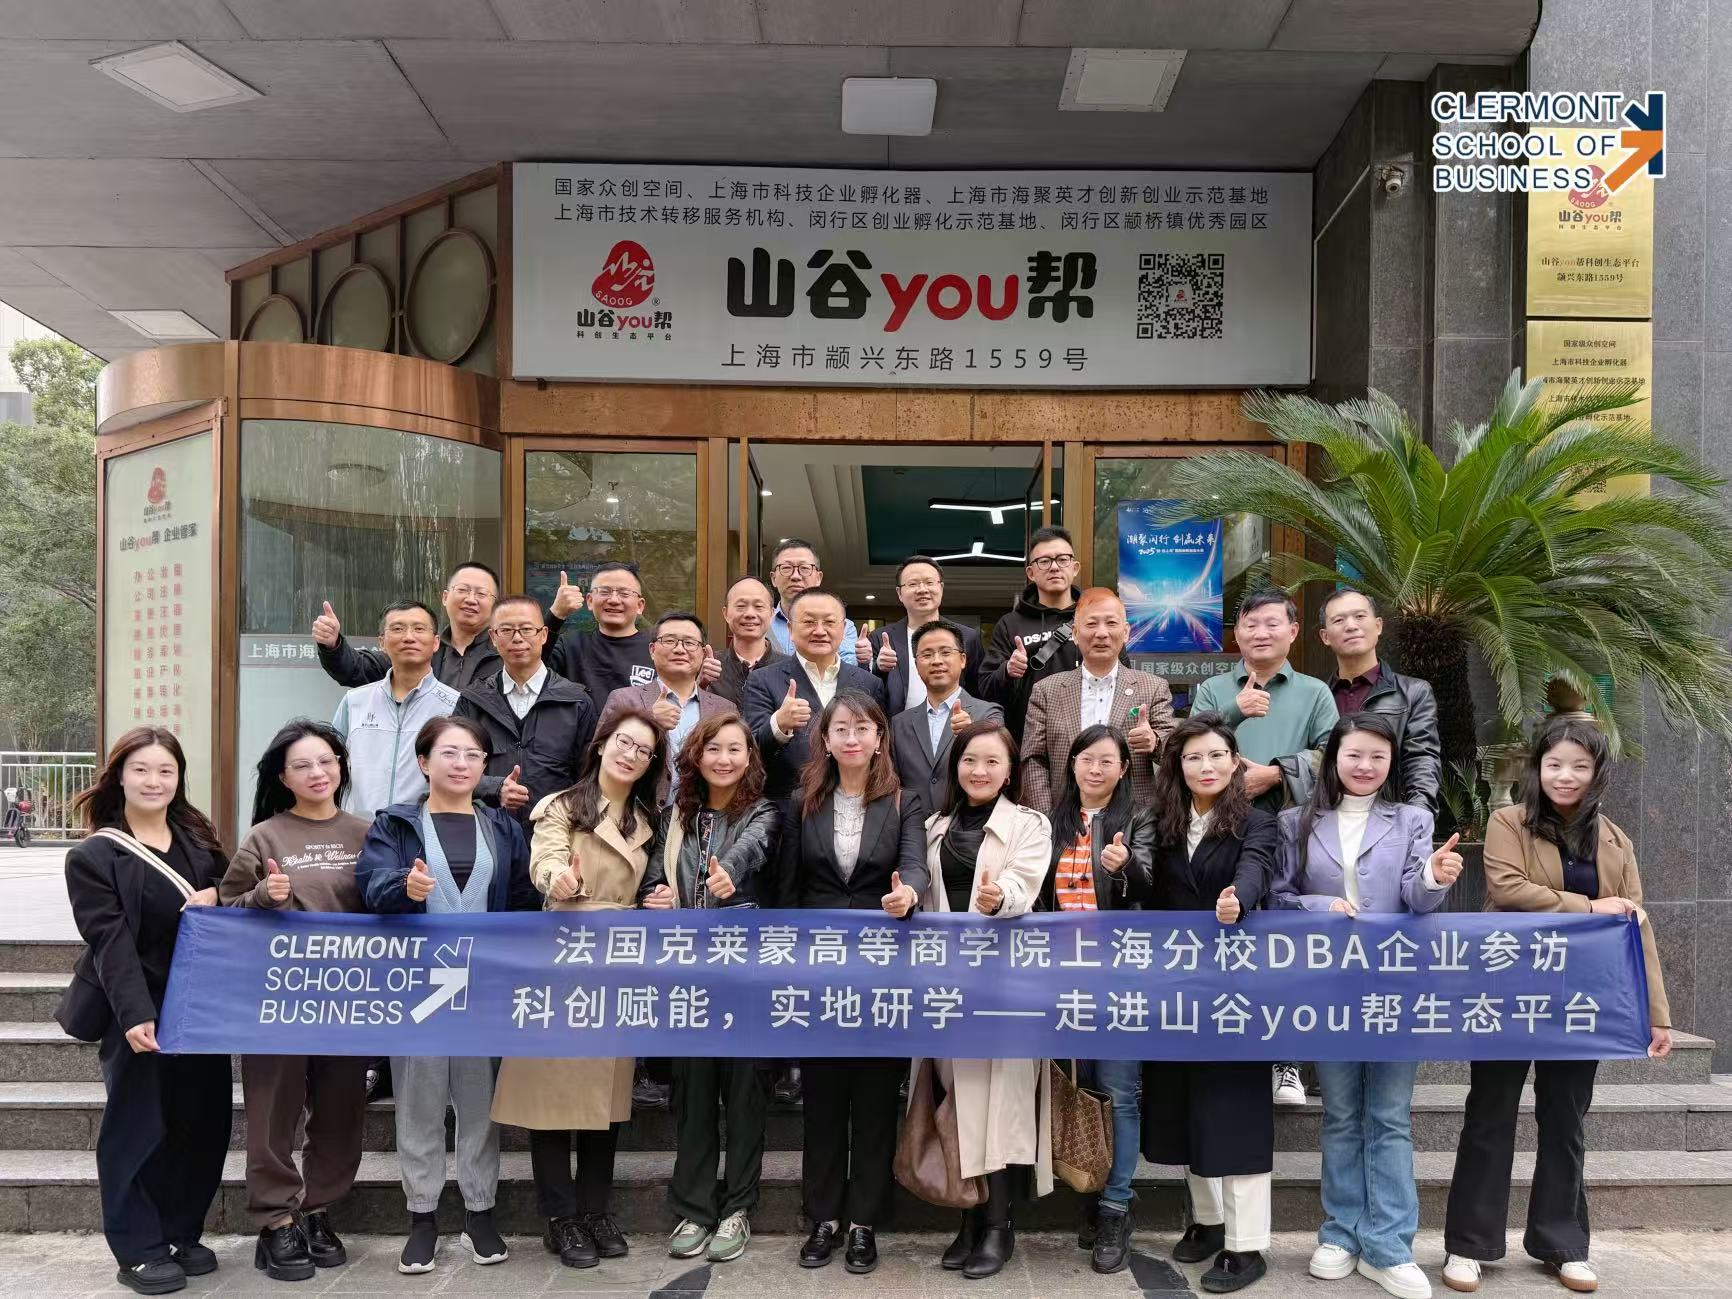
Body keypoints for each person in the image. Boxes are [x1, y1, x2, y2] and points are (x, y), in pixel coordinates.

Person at [1442, 716, 1672, 1297]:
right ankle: (1469, 1246)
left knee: (1565, 1120)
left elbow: (1636, 927)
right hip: (1509, 992)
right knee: (1489, 1114)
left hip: (1580, 1000)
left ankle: (1563, 1244)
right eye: (1554, 764)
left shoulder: (1616, 840)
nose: (1564, 776)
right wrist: (1589, 907)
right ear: (1537, 768)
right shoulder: (1508, 822)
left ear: (1597, 773)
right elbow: (1507, 889)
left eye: (1579, 766)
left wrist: (1656, 1014)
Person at [1270, 714, 1461, 1299]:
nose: (1365, 765)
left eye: (1378, 755)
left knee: (1389, 1115)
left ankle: (1389, 1246)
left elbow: (1416, 899)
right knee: (1342, 1113)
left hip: (1395, 988)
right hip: (1328, 989)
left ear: (1391, 762)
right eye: (1354, 753)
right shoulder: (1296, 821)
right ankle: (1339, 1234)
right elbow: (1278, 896)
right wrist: (1320, 907)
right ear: (1334, 757)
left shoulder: (1412, 820)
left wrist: (1434, 875)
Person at [355, 715, 537, 1276]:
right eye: (449, 753)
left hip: (483, 984)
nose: (461, 764)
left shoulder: (502, 827)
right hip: (418, 985)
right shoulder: (396, 824)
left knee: (481, 1102)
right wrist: (403, 887)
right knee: (420, 1100)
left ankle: (480, 1211)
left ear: (484, 766)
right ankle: (422, 1218)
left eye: (472, 755)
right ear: (424, 761)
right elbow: (370, 886)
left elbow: (522, 899)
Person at [491, 709, 668, 1271]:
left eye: (643, 750)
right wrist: (557, 878)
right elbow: (545, 859)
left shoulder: (648, 818)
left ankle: (594, 1210)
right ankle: (559, 1217)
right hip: (563, 957)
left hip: (619, 964)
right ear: (601, 744)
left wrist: (658, 899)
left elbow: (651, 881)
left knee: (606, 1098)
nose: (630, 755)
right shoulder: (563, 805)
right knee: (550, 1099)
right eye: (624, 742)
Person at [63, 727, 230, 1296]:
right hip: (134, 1005)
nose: (154, 781)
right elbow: (109, 941)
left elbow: (232, 896)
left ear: (179, 778)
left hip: (199, 1006)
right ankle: (137, 1247)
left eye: (165, 771)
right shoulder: (94, 855)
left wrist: (220, 896)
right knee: (138, 1125)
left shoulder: (200, 842)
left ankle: (180, 1232)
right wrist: (135, 1014)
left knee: (202, 1121)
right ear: (119, 776)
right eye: (141, 770)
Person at [773, 690, 928, 1276]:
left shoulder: (904, 801)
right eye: (841, 728)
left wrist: (909, 893)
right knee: (823, 1100)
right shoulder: (803, 801)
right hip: (819, 972)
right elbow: (789, 888)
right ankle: (823, 1218)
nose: (853, 738)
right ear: (826, 739)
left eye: (863, 728)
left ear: (880, 738)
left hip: (883, 971)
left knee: (874, 1099)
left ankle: (863, 1221)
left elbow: (914, 863)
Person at [1123, 713, 1278, 1294]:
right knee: (1187, 1105)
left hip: (1237, 988)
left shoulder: (1257, 821)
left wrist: (1240, 898)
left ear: (1235, 762)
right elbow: (1147, 889)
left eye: (1216, 755)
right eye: (1192, 757)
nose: (1205, 766)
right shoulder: (1163, 821)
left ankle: (1247, 1244)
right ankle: (1209, 1222)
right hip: (1177, 987)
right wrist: (1124, 868)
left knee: (1234, 1110)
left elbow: (1256, 870)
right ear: (1177, 766)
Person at [220, 721, 372, 1283]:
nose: (317, 773)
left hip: (348, 1001)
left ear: (341, 767)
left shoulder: (368, 832)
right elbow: (226, 912)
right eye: (302, 765)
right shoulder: (264, 837)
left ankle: (318, 1210)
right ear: (283, 777)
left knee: (340, 1111)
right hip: (277, 1000)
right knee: (273, 1111)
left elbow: (384, 905)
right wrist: (263, 895)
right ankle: (276, 1220)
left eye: (326, 761)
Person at [916, 721, 1053, 1279]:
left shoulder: (1030, 823)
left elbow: (1025, 883)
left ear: (1010, 771)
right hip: (949, 984)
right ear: (956, 766)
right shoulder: (933, 827)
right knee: (960, 1098)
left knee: (1002, 1102)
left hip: (1007, 982)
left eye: (993, 761)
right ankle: (970, 1219)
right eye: (970, 760)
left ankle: (999, 1225)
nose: (980, 770)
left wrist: (1000, 899)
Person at [639, 716, 778, 1264]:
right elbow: (655, 872)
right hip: (688, 977)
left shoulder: (762, 812)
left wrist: (728, 876)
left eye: (735, 749)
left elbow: (752, 850)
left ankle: (738, 1206)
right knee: (694, 1094)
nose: (724, 759)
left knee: (744, 1095)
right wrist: (655, 894)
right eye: (713, 748)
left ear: (750, 757)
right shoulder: (676, 816)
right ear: (695, 756)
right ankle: (694, 1208)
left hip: (747, 976)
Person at [1191, 588, 1337, 1107]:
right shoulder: (1213, 690)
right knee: (1225, 937)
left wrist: (1275, 773)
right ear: (1237, 633)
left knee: (1284, 943)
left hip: (1294, 832)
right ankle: (1224, 1046)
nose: (1261, 633)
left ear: (1293, 632)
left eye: (1272, 623)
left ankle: (1286, 1060)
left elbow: (1333, 756)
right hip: (1222, 833)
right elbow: (1190, 745)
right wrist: (1234, 712)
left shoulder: (1315, 692)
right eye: (1250, 624)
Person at [1042, 724, 1154, 1274]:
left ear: (1124, 768)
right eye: (1086, 758)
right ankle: (1090, 1183)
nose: (1095, 768)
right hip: (1061, 977)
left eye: (1107, 760)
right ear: (1072, 764)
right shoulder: (1051, 822)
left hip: (1120, 976)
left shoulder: (1140, 819)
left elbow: (1151, 883)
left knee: (1119, 1090)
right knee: (1079, 1084)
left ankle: (1115, 1206)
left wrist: (1124, 866)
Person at [1020, 588, 1174, 814]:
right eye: (1091, 624)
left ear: (1126, 632)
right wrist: (1047, 818)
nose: (1101, 633)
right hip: (1063, 816)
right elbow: (1033, 758)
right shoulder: (1046, 690)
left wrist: (1155, 742)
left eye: (1111, 623)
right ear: (1075, 633)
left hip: (1134, 819)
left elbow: (1177, 750)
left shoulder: (1153, 687)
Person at [455, 594, 598, 827]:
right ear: (493, 637)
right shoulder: (473, 700)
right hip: (487, 830)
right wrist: (494, 787)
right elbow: (451, 767)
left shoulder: (576, 701)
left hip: (555, 833)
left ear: (543, 635)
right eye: (506, 630)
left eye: (526, 629)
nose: (517, 638)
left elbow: (590, 777)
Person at [744, 589, 887, 799]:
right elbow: (749, 751)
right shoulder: (762, 680)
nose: (820, 631)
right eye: (809, 622)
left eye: (829, 622)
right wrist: (778, 724)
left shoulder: (869, 684)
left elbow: (881, 749)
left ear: (843, 629)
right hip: (788, 806)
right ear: (791, 629)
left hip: (855, 803)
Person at [1317, 588, 1441, 813]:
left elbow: (1421, 760)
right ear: (1325, 637)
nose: (1351, 626)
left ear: (1378, 626)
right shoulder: (1317, 697)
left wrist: (1417, 817)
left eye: (1359, 616)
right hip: (1327, 818)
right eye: (1339, 620)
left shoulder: (1413, 693)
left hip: (1389, 817)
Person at [330, 600, 460, 816]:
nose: (409, 637)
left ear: (436, 642)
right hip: (359, 829)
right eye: (398, 629)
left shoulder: (454, 704)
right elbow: (330, 763)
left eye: (419, 629)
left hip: (422, 830)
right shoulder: (355, 701)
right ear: (382, 642)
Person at [596, 611, 739, 804]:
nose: (680, 649)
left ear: (703, 653)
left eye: (689, 643)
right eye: (669, 641)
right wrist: (649, 721)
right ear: (652, 649)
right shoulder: (623, 700)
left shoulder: (724, 709)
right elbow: (598, 761)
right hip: (635, 814)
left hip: (702, 817)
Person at [312, 561, 506, 691]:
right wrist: (333, 645)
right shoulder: (422, 645)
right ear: (445, 597)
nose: (471, 599)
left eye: (481, 594)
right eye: (462, 590)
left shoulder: (508, 651)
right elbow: (356, 669)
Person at [979, 525, 1083, 741]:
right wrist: (1007, 671)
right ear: (1031, 573)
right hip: (1028, 740)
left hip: (1086, 740)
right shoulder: (1010, 624)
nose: (1054, 567)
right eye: (1044, 561)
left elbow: (1121, 674)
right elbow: (986, 689)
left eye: (1062, 559)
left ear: (1075, 567)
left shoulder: (1093, 619)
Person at [889, 619, 1002, 816]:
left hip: (970, 826)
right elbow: (894, 784)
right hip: (914, 827)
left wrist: (972, 733)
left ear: (963, 659)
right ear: (916, 665)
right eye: (927, 654)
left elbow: (998, 764)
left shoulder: (988, 713)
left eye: (945, 652)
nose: (936, 661)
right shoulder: (899, 724)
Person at [865, 556, 983, 710]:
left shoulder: (967, 637)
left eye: (929, 582)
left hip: (956, 722)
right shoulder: (880, 638)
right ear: (899, 593)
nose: (922, 590)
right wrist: (879, 669)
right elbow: (868, 695)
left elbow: (979, 691)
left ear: (941, 587)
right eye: (913, 584)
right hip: (897, 724)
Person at [548, 563, 657, 702]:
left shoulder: (657, 648)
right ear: (590, 600)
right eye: (604, 592)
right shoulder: (571, 645)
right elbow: (530, 671)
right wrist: (556, 614)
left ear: (639, 605)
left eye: (624, 593)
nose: (614, 600)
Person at [765, 538, 865, 660]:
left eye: (804, 568)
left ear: (818, 578)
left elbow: (849, 666)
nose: (795, 576)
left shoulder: (842, 625)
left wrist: (864, 660)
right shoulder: (761, 623)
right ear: (773, 578)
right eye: (786, 568)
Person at [712, 576, 790, 707]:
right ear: (726, 613)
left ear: (772, 614)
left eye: (758, 606)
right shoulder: (708, 666)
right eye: (741, 606)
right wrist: (700, 686)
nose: (750, 614)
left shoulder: (791, 668)